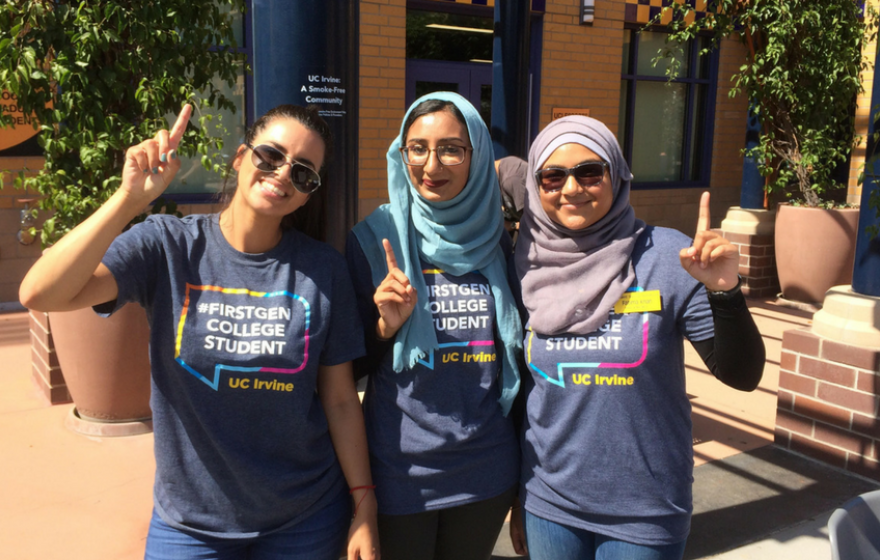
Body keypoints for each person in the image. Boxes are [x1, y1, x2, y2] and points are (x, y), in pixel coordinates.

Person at [19, 104, 379, 560]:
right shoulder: (168, 245)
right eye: (271, 155)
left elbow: (341, 399)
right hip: (191, 524)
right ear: (240, 157)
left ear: (309, 193)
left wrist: (364, 504)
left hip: (304, 517)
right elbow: (40, 292)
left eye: (304, 173)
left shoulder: (322, 268)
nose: (284, 174)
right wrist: (129, 200)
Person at [508, 115, 766, 560]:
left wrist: (725, 292)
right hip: (549, 501)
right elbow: (520, 392)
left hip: (645, 509)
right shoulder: (525, 266)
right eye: (553, 177)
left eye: (589, 172)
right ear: (536, 187)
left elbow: (742, 375)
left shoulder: (665, 255)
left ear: (617, 175)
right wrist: (518, 494)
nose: (571, 189)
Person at [345, 91, 523, 560]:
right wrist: (385, 328)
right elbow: (346, 369)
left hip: (485, 472)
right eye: (417, 147)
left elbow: (521, 368)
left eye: (451, 148)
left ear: (476, 154)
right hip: (400, 470)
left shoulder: (501, 245)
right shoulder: (372, 239)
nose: (431, 164)